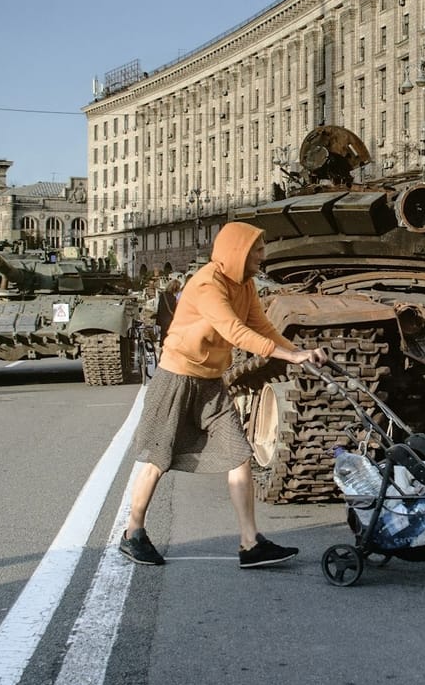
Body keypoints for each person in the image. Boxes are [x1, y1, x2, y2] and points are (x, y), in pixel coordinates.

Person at [121, 222, 326, 569]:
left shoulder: (245, 284)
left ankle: (250, 543)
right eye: (256, 250)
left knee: (239, 455)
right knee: (159, 458)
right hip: (177, 376)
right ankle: (133, 532)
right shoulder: (207, 284)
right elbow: (235, 331)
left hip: (210, 381)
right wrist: (289, 357)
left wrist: (298, 352)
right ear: (236, 252)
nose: (262, 255)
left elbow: (262, 326)